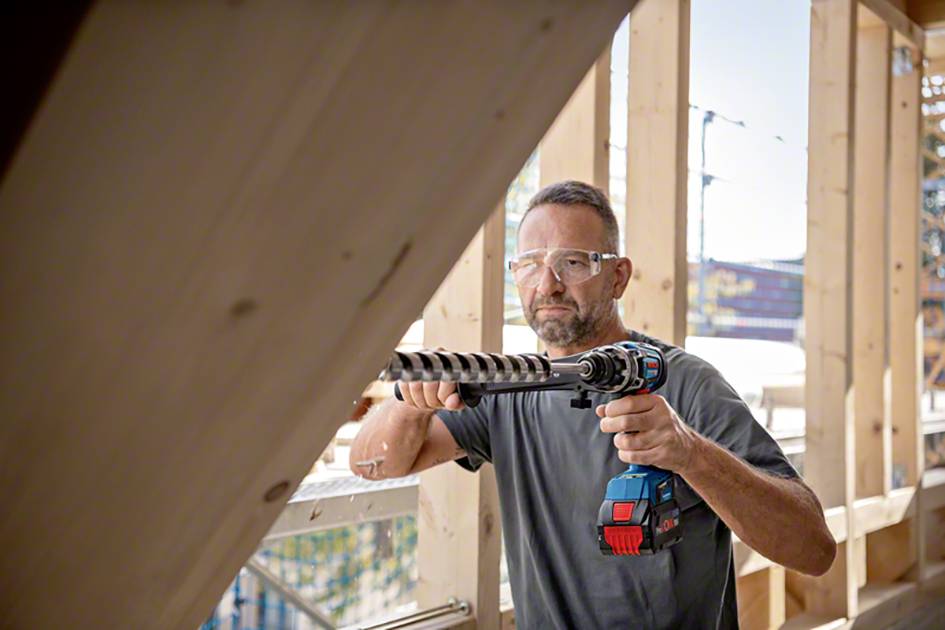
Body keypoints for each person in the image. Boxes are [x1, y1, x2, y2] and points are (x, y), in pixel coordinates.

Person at [350, 180, 836, 629]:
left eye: (573, 263)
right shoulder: (506, 392)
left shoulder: (686, 384)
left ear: (618, 277)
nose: (548, 284)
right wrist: (408, 405)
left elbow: (814, 550)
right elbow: (371, 463)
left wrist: (691, 453)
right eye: (530, 264)